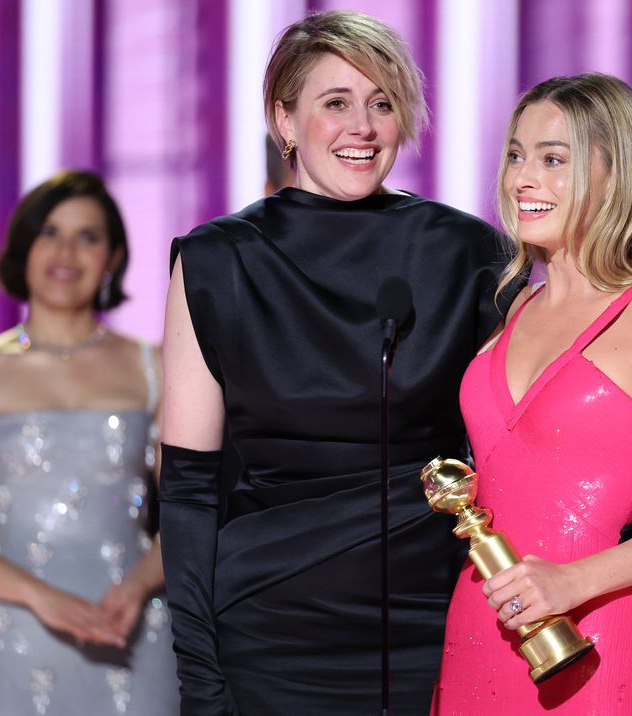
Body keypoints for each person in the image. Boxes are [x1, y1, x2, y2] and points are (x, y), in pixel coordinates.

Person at [159, 10, 517, 714]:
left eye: (382, 103)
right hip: (271, 631)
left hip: (433, 618)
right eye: (335, 103)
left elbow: (514, 451)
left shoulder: (467, 251)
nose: (363, 126)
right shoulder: (216, 261)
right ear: (284, 120)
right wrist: (200, 677)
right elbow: (189, 491)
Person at [431, 73, 632, 715]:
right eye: (516, 155)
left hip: (597, 636)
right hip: (481, 626)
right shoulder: (514, 309)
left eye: (553, 159)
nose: (522, 178)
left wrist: (574, 580)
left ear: (616, 176)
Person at [0, 171, 179, 715]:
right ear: (23, 247)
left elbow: (195, 508)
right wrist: (39, 596)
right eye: (50, 232)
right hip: (6, 637)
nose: (67, 251)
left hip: (130, 628)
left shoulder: (153, 367)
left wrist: (136, 586)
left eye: (88, 236)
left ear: (112, 257)